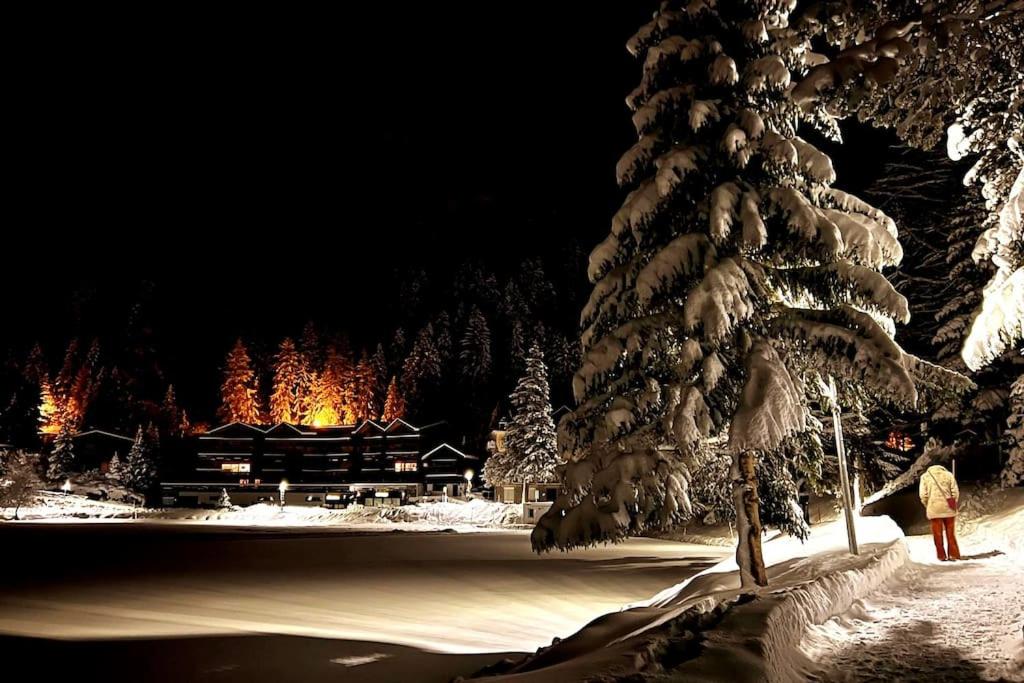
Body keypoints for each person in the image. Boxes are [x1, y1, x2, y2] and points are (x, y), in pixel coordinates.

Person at [919, 464, 961, 561]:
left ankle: (941, 556)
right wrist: (952, 502)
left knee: (937, 534)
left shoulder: (925, 477)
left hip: (934, 507)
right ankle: (953, 554)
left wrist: (928, 504)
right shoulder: (949, 475)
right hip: (948, 508)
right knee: (950, 534)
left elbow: (923, 495)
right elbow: (955, 492)